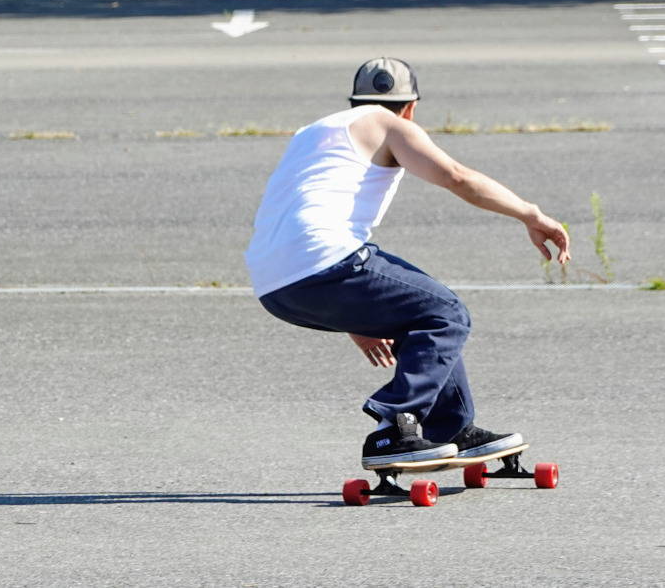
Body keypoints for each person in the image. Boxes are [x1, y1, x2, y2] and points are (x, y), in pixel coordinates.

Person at [245, 57, 571, 469]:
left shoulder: (310, 134)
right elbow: (457, 178)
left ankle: (451, 428)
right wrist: (530, 213)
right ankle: (397, 424)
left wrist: (357, 319)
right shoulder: (390, 124)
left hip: (274, 282)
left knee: (419, 313)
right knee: (446, 313)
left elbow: (301, 219)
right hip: (327, 258)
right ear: (412, 106)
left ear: (352, 100)